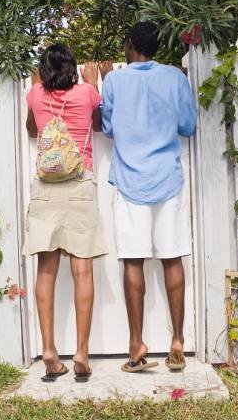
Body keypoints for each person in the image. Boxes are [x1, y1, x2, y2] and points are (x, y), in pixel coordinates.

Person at [100, 21, 197, 373]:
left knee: (133, 261)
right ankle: (177, 340)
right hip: (167, 180)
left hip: (130, 182)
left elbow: (108, 128)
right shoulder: (174, 77)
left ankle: (136, 345)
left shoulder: (114, 81)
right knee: (172, 259)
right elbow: (188, 126)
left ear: (129, 44)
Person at [22, 43, 108, 383]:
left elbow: (32, 130)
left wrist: (36, 88)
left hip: (45, 188)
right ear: (73, 67)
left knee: (46, 270)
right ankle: (82, 353)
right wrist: (95, 84)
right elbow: (99, 126)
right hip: (79, 184)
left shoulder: (35, 94)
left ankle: (49, 350)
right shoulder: (87, 93)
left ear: (43, 69)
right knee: (82, 270)